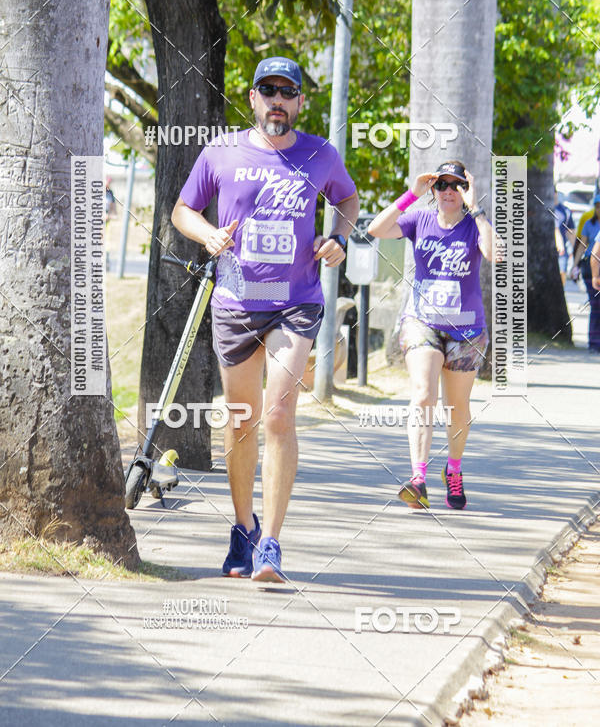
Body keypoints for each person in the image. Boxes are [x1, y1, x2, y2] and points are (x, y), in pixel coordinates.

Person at [171, 56, 359, 581]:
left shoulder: (319, 153)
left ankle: (272, 543)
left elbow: (346, 196)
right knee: (240, 419)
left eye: (287, 91)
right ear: (252, 98)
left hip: (295, 299)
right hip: (235, 302)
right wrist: (206, 233)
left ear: (300, 102)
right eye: (268, 90)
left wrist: (337, 238)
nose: (277, 99)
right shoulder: (222, 152)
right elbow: (182, 209)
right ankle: (243, 528)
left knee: (277, 415)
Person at [368, 161, 494, 510]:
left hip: (467, 330)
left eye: (456, 185)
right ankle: (418, 478)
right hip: (422, 322)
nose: (449, 191)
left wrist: (476, 207)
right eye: (442, 185)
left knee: (457, 407)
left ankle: (453, 469)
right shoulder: (419, 220)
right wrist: (412, 193)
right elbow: (377, 229)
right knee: (423, 394)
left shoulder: (473, 225)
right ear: (434, 191)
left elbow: (495, 253)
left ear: (465, 189)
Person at [570, 192, 600, 352]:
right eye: (597, 207)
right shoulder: (589, 224)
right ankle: (594, 343)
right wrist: (574, 265)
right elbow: (582, 245)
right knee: (595, 305)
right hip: (590, 266)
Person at [553, 188, 575, 287]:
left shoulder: (565, 211)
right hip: (546, 250)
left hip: (562, 252)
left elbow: (571, 232)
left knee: (562, 273)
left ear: (556, 193)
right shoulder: (541, 208)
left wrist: (576, 251)